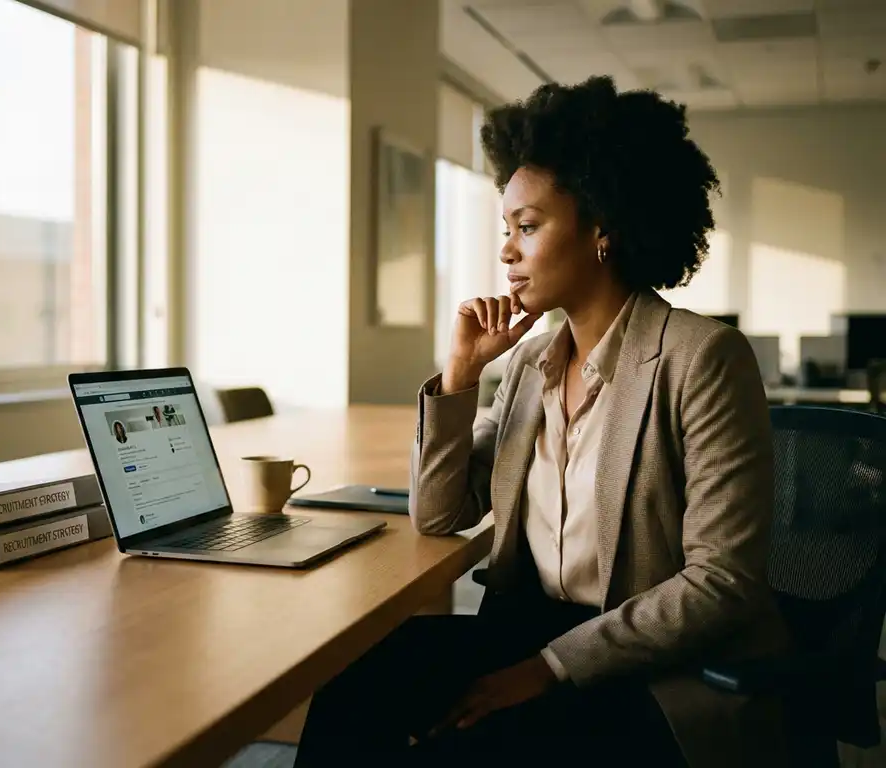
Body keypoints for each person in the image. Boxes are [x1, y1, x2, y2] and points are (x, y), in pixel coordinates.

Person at [295, 76, 790, 767]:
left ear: (603, 230)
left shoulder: (702, 358)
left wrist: (549, 668)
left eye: (527, 228)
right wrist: (462, 374)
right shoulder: (532, 364)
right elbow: (439, 514)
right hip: (532, 630)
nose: (506, 252)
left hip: (654, 666)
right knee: (353, 681)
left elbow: (722, 585)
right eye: (507, 230)